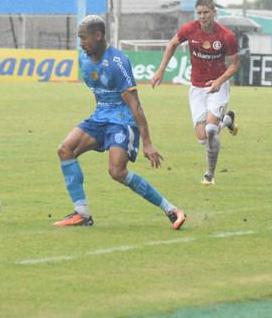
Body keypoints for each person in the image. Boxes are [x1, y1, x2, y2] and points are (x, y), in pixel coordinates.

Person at [54, 15, 186, 230]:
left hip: (122, 120)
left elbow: (135, 106)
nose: (81, 43)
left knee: (117, 172)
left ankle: (171, 210)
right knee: (65, 150)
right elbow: (98, 91)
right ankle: (82, 214)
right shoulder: (83, 60)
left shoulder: (118, 62)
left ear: (98, 36)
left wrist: (148, 143)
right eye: (79, 38)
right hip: (100, 116)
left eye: (84, 38)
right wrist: (99, 116)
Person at [151, 0, 240, 186]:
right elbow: (172, 44)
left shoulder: (226, 36)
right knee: (202, 139)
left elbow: (235, 65)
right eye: (199, 12)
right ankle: (227, 121)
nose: (202, 16)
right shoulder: (189, 29)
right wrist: (160, 70)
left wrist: (219, 80)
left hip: (218, 87)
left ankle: (209, 175)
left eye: (206, 12)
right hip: (197, 87)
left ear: (214, 13)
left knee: (209, 130)